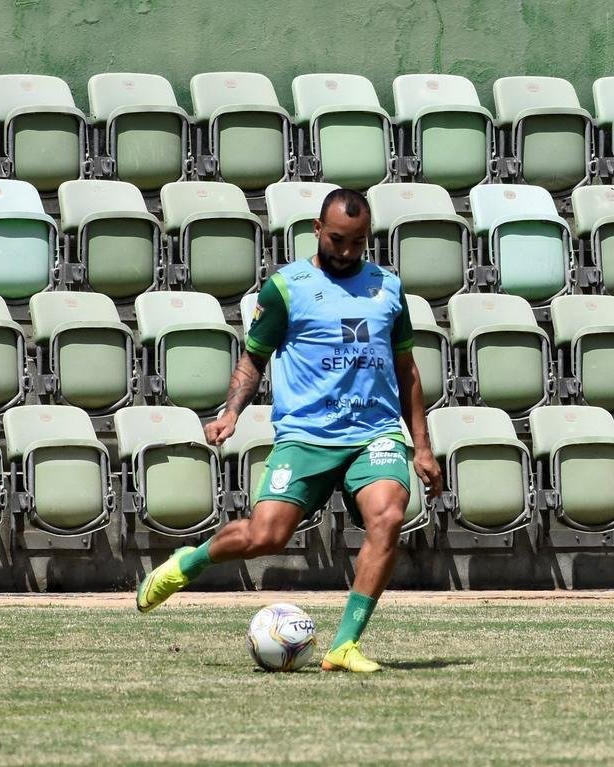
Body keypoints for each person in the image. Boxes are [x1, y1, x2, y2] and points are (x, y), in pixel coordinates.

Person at [136, 188, 443, 674]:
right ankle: (187, 564)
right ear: (317, 231)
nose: (346, 252)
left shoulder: (388, 286)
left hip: (374, 433)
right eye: (337, 240)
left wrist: (421, 446)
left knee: (387, 516)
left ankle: (344, 645)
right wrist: (231, 412)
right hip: (305, 436)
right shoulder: (286, 287)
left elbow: (406, 369)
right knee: (266, 536)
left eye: (357, 243)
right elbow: (254, 357)